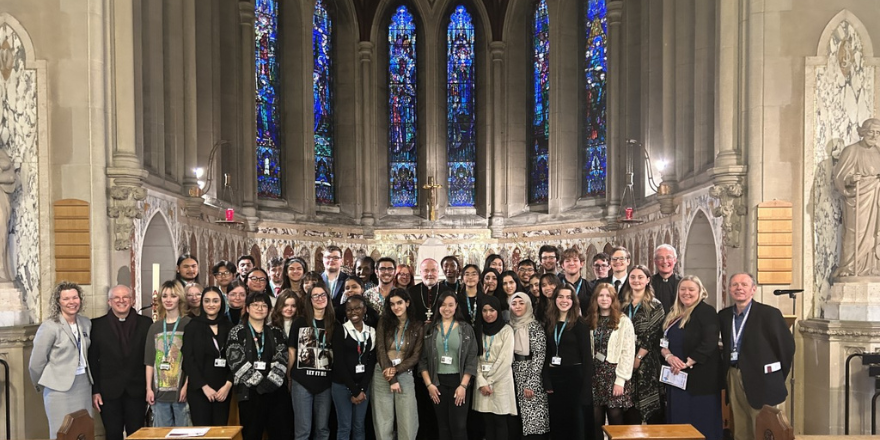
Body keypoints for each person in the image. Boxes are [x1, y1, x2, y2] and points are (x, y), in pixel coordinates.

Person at [719, 273, 794, 440]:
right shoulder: (724, 316)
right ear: (729, 289)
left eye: (744, 284)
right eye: (735, 284)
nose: (739, 288)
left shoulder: (769, 314)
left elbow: (786, 348)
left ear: (753, 289)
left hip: (762, 377)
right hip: (733, 373)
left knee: (762, 427)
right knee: (740, 425)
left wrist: (776, 376)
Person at [660, 276, 722, 440]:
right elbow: (663, 342)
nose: (686, 293)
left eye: (691, 289)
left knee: (701, 424)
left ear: (700, 292)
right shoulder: (673, 314)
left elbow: (709, 342)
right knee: (679, 423)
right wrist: (669, 357)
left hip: (700, 380)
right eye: (683, 289)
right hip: (676, 377)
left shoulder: (706, 311)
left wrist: (686, 363)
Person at [29, 282, 93, 439]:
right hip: (59, 389)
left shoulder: (86, 323)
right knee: (62, 432)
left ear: (80, 299)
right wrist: (43, 384)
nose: (72, 302)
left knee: (83, 430)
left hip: (83, 385)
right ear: (58, 302)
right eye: (66, 299)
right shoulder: (49, 327)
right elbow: (36, 362)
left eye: (75, 297)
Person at [88, 285, 151, 440]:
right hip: (108, 391)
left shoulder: (146, 324)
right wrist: (95, 390)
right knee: (112, 433)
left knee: (137, 434)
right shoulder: (96, 325)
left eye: (126, 297)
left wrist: (150, 388)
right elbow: (92, 361)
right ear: (109, 302)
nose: (121, 301)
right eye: (116, 297)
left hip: (137, 389)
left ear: (132, 300)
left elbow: (149, 358)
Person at [227, 292, 289, 440]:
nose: (260, 308)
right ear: (247, 308)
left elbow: (282, 356)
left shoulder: (276, 332)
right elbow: (235, 360)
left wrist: (271, 381)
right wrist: (258, 382)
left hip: (275, 391)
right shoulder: (237, 332)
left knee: (281, 434)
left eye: (264, 305)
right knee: (251, 434)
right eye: (255, 305)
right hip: (249, 392)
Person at [419, 292, 478, 440]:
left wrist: (463, 386)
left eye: (450, 305)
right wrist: (429, 385)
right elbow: (423, 360)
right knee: (443, 427)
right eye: (443, 305)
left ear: (456, 306)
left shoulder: (465, 329)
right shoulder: (430, 330)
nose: (447, 309)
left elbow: (472, 359)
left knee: (459, 427)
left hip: (459, 382)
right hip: (437, 383)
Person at [543, 283, 595, 440]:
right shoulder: (550, 323)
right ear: (555, 299)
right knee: (558, 423)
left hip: (575, 378)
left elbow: (587, 357)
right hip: (556, 377)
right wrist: (547, 380)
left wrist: (586, 389)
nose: (564, 300)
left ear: (573, 301)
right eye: (560, 297)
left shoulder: (580, 324)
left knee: (576, 423)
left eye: (568, 297)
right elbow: (547, 354)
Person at [372, 289, 425, 440]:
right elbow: (380, 349)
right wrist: (391, 376)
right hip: (382, 372)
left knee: (408, 421)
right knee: (383, 422)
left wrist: (395, 371)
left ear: (407, 303)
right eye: (392, 304)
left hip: (404, 373)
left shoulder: (417, 325)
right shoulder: (384, 321)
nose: (396, 307)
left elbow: (415, 356)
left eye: (399, 303)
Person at [831, 118, 880, 277]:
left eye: (878, 132)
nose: (874, 135)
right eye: (871, 131)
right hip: (857, 198)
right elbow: (839, 177)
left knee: (873, 234)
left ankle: (870, 267)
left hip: (875, 197)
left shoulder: (879, 151)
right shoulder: (851, 150)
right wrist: (851, 179)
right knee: (855, 232)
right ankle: (849, 267)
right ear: (863, 132)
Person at [586, 283, 635, 439]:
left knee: (615, 417)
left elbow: (628, 352)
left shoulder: (623, 321)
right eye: (601, 295)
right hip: (594, 375)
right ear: (596, 299)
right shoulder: (589, 320)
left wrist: (620, 380)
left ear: (614, 299)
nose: (604, 299)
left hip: (614, 375)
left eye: (608, 295)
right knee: (595, 419)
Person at [288, 283, 336, 440]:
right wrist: (289, 376)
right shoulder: (299, 323)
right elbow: (292, 351)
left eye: (323, 295)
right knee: (303, 431)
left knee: (322, 429)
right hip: (302, 382)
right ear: (309, 300)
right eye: (315, 295)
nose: (319, 298)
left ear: (328, 299)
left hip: (325, 384)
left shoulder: (335, 325)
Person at [182, 286, 234, 426]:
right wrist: (204, 387)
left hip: (223, 389)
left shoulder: (230, 327)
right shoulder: (192, 327)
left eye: (215, 301)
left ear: (221, 303)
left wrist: (227, 386)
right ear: (202, 303)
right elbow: (188, 360)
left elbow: (236, 360)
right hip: (200, 389)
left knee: (220, 432)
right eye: (207, 301)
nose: (211, 305)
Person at [620, 265, 664, 424]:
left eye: (640, 277)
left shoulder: (655, 305)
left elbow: (652, 335)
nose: (636, 280)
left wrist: (638, 357)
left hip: (646, 361)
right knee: (628, 408)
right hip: (623, 359)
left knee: (648, 406)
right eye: (633, 277)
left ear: (647, 280)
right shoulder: (621, 305)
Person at [144, 280, 191, 427]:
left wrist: (186, 386)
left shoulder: (188, 324)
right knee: (161, 435)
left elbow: (192, 360)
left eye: (173, 296)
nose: (168, 300)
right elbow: (149, 361)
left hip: (181, 392)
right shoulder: (155, 327)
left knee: (184, 436)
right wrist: (149, 389)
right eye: (165, 296)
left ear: (180, 299)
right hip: (159, 393)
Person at [332, 296, 377, 440]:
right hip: (342, 385)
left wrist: (362, 388)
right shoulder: (341, 330)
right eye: (349, 309)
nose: (353, 312)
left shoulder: (371, 332)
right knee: (345, 426)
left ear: (364, 309)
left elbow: (371, 362)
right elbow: (339, 363)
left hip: (363, 386)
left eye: (357, 308)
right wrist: (355, 390)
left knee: (359, 426)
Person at [473, 296, 517, 440]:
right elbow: (475, 358)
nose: (488, 314)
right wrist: (481, 381)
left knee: (500, 421)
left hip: (501, 381)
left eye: (492, 310)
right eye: (484, 310)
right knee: (487, 422)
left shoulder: (507, 330)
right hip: (482, 382)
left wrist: (489, 381)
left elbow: (505, 360)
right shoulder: (478, 330)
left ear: (498, 310)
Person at [508, 292, 549, 439]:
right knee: (516, 420)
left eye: (521, 303)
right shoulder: (508, 326)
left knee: (533, 421)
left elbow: (539, 355)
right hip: (512, 374)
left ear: (528, 304)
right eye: (514, 303)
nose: (517, 306)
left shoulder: (534, 326)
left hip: (531, 374)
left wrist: (531, 383)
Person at [409, 258, 453, 324]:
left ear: (438, 272)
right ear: (420, 273)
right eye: (426, 270)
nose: (430, 274)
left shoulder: (448, 292)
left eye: (433, 270)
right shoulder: (411, 292)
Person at [560, 248, 591, 316]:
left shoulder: (590, 288)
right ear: (562, 265)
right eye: (567, 261)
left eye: (575, 260)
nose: (571, 263)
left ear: (581, 264)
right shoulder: (556, 286)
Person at [651, 245, 681, 314]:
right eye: (660, 258)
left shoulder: (683, 283)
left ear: (675, 260)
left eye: (669, 257)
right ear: (655, 261)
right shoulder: (648, 283)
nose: (665, 261)